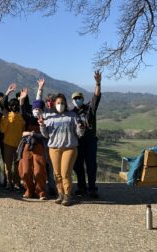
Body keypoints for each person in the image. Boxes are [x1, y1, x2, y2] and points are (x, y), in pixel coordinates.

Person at [39, 93, 85, 206]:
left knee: (65, 173)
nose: (60, 105)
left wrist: (81, 128)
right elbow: (45, 135)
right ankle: (60, 193)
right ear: (54, 104)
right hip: (54, 148)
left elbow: (79, 134)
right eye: (58, 103)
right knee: (57, 173)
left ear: (66, 104)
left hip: (69, 148)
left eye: (62, 103)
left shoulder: (72, 116)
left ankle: (67, 195)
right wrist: (42, 125)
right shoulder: (50, 117)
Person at [72, 70, 102, 198]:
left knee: (91, 165)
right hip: (78, 142)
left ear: (83, 99)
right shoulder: (71, 113)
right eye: (75, 98)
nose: (77, 100)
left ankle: (92, 188)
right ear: (72, 100)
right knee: (78, 166)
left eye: (79, 98)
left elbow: (96, 96)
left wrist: (98, 83)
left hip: (90, 141)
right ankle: (81, 187)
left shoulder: (90, 108)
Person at [18, 88, 47, 200]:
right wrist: (22, 100)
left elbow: (45, 135)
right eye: (35, 109)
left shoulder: (45, 120)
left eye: (39, 109)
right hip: (27, 145)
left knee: (39, 170)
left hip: (39, 145)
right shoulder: (29, 118)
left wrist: (30, 133)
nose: (37, 110)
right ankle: (29, 189)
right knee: (25, 169)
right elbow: (22, 112)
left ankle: (41, 191)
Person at [0, 83, 25, 191]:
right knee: (8, 165)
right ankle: (9, 182)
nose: (14, 107)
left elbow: (24, 129)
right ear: (9, 106)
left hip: (19, 144)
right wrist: (8, 92)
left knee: (18, 165)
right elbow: (2, 129)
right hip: (8, 144)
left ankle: (17, 183)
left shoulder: (22, 117)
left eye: (16, 105)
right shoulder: (6, 117)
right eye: (12, 105)